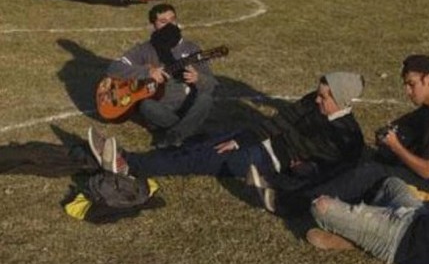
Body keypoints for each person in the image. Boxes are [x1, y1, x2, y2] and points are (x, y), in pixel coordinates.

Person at [89, 72, 365, 205]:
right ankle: (127, 162)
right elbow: (279, 121)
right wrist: (244, 138)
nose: (316, 99)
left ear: (341, 100)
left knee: (197, 157)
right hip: (256, 140)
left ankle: (127, 164)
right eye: (318, 93)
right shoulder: (310, 102)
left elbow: (329, 174)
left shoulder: (347, 136)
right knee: (198, 144)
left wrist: (299, 171)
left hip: (267, 160)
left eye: (324, 96)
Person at [290, 54, 429, 211]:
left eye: (411, 84)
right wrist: (388, 133)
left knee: (372, 173)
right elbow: (404, 123)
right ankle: (311, 184)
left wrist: (396, 147)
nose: (407, 91)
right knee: (365, 162)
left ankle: (300, 202)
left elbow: (428, 171)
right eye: (405, 84)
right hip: (420, 177)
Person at [106, 4, 219, 148]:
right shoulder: (145, 49)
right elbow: (114, 68)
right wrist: (147, 72)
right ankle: (187, 129)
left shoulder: (192, 49)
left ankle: (175, 134)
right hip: (160, 108)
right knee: (145, 105)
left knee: (205, 99)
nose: (170, 25)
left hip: (188, 106)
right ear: (153, 25)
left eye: (172, 20)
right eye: (163, 22)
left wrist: (199, 78)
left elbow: (212, 85)